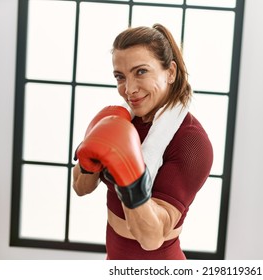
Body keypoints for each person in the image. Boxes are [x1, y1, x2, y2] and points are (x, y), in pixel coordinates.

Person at [72, 23, 213, 260]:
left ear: (170, 72)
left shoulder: (191, 142)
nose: (129, 89)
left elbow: (151, 238)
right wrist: (88, 160)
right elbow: (80, 187)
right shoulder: (121, 121)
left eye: (141, 72)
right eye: (120, 77)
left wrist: (131, 179)